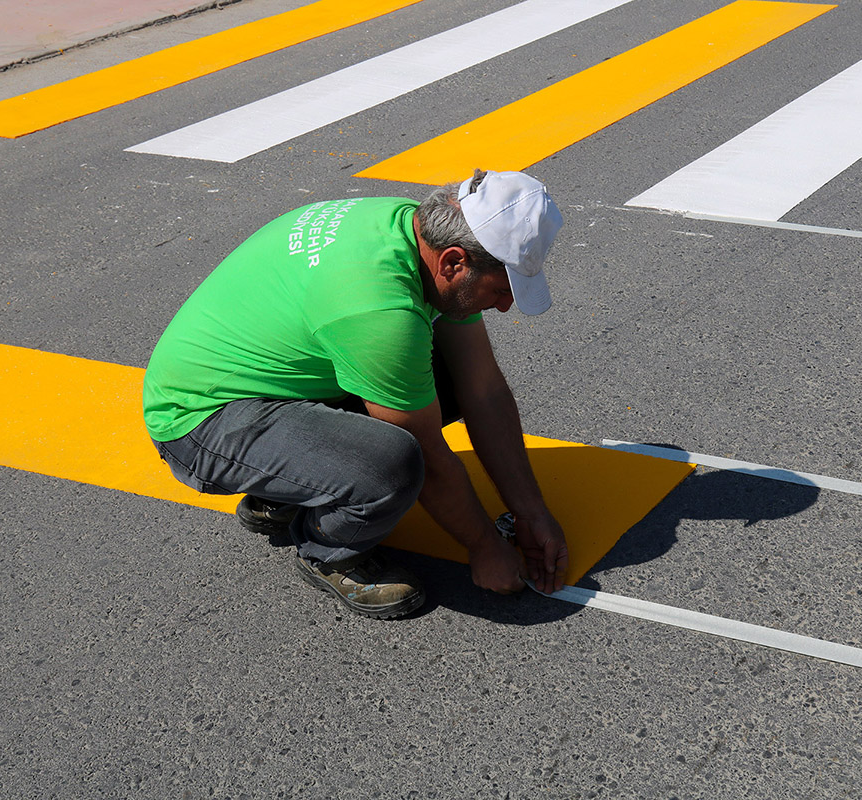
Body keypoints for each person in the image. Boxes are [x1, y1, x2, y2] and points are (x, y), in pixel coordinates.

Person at [142, 169, 569, 619]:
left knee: (445, 376)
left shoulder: (417, 230)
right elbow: (430, 457)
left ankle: (285, 488)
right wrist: (484, 547)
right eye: (501, 289)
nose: (504, 305)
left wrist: (531, 513)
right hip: (199, 420)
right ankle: (327, 551)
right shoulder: (378, 306)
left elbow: (483, 389)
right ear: (453, 263)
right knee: (392, 465)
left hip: (265, 381)